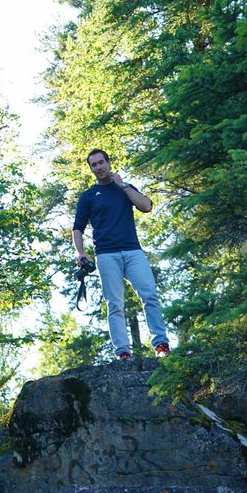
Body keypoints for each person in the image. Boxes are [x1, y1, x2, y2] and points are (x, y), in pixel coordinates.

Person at [72, 148, 171, 361]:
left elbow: (146, 206)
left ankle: (161, 344)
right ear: (91, 169)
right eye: (94, 165)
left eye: (101, 163)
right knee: (115, 304)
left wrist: (123, 185)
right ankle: (123, 352)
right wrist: (80, 253)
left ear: (108, 163)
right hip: (106, 255)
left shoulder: (124, 188)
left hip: (133, 251)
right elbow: (77, 228)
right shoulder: (88, 196)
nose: (99, 167)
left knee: (150, 295)